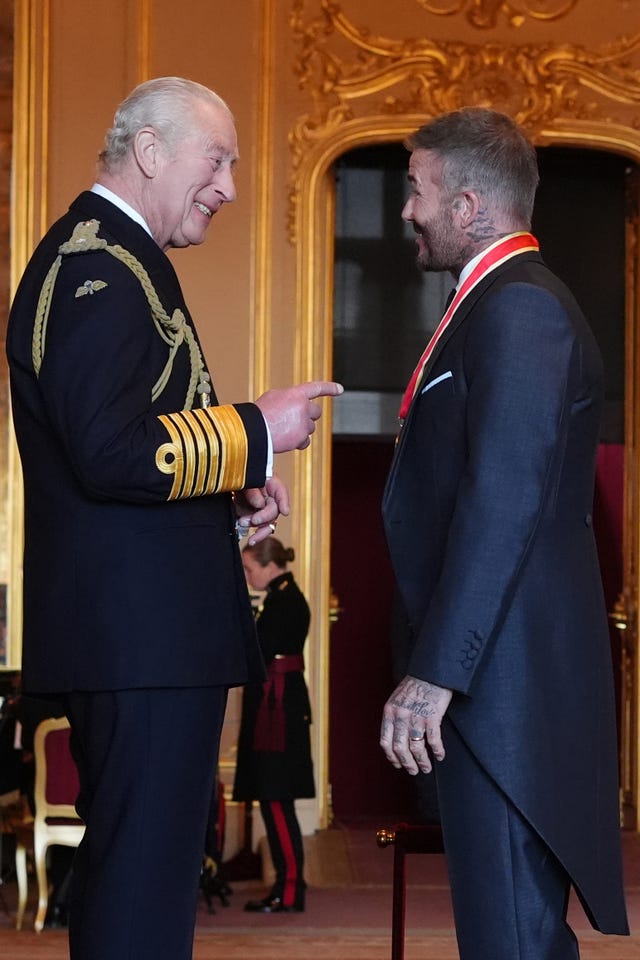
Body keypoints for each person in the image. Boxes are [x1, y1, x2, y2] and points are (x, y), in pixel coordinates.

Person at [6, 76, 342, 960]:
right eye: (218, 159)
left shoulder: (118, 260)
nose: (230, 185)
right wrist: (253, 429)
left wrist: (233, 490)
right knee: (141, 892)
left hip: (146, 639)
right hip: (140, 647)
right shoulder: (96, 267)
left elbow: (128, 452)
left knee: (148, 887)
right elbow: (110, 451)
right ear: (151, 153)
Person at [379, 107, 629, 960]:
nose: (406, 210)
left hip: (505, 686)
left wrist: (433, 675)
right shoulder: (491, 303)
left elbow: (503, 501)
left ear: (472, 204)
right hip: (497, 681)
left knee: (513, 939)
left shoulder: (521, 309)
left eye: (417, 191)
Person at [233, 537, 314, 913]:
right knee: (273, 798)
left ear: (269, 565)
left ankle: (290, 887)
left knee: (276, 798)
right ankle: (287, 884)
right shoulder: (281, 597)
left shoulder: (285, 601)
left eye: (250, 569)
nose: (248, 576)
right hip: (276, 708)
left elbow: (258, 650)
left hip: (277, 711)